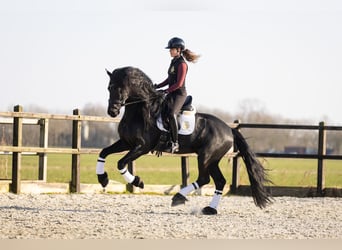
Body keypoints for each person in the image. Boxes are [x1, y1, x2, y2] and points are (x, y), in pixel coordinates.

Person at [154, 37, 200, 153]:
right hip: (171, 93)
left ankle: (175, 143)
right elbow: (169, 79)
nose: (170, 51)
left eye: (172, 49)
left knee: (171, 114)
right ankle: (163, 140)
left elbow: (179, 84)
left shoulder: (182, 64)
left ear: (179, 50)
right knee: (160, 111)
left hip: (179, 95)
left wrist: (166, 91)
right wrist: (157, 86)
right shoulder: (173, 61)